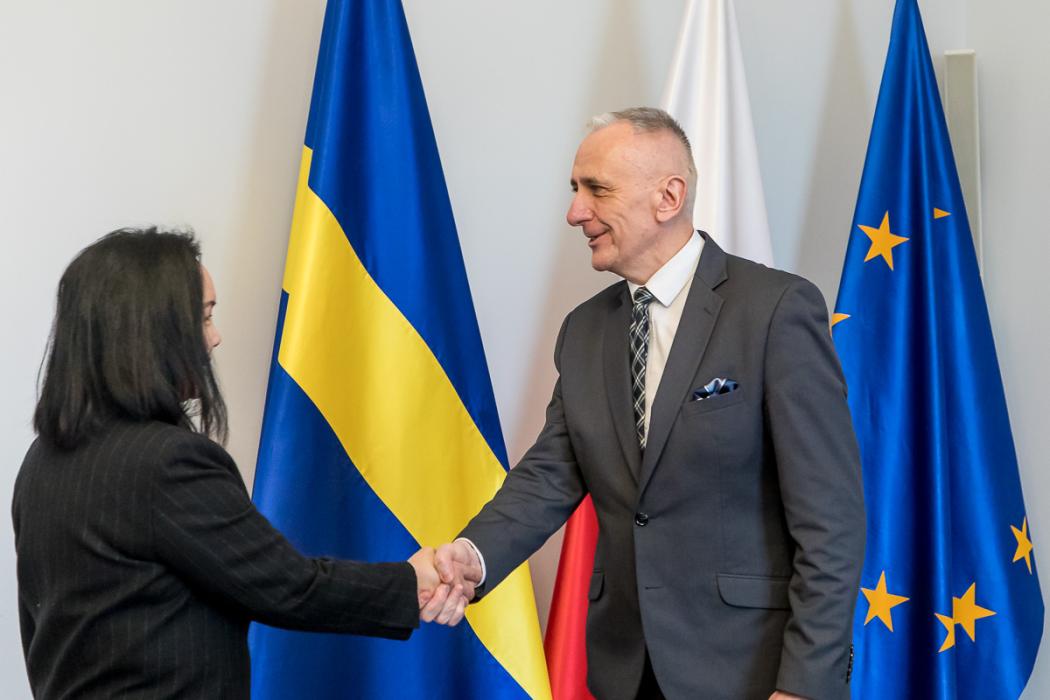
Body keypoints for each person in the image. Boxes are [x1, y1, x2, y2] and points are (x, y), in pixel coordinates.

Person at [435, 108, 866, 699]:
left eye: (597, 189)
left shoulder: (775, 310)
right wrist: (472, 556)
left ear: (669, 197)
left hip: (751, 673)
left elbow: (830, 520)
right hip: (625, 670)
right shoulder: (584, 330)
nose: (575, 212)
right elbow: (548, 477)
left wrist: (805, 685)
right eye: (575, 189)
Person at [12, 228, 468, 699]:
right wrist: (411, 582)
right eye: (204, 317)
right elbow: (289, 586)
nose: (215, 338)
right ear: (151, 331)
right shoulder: (167, 464)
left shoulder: (41, 462)